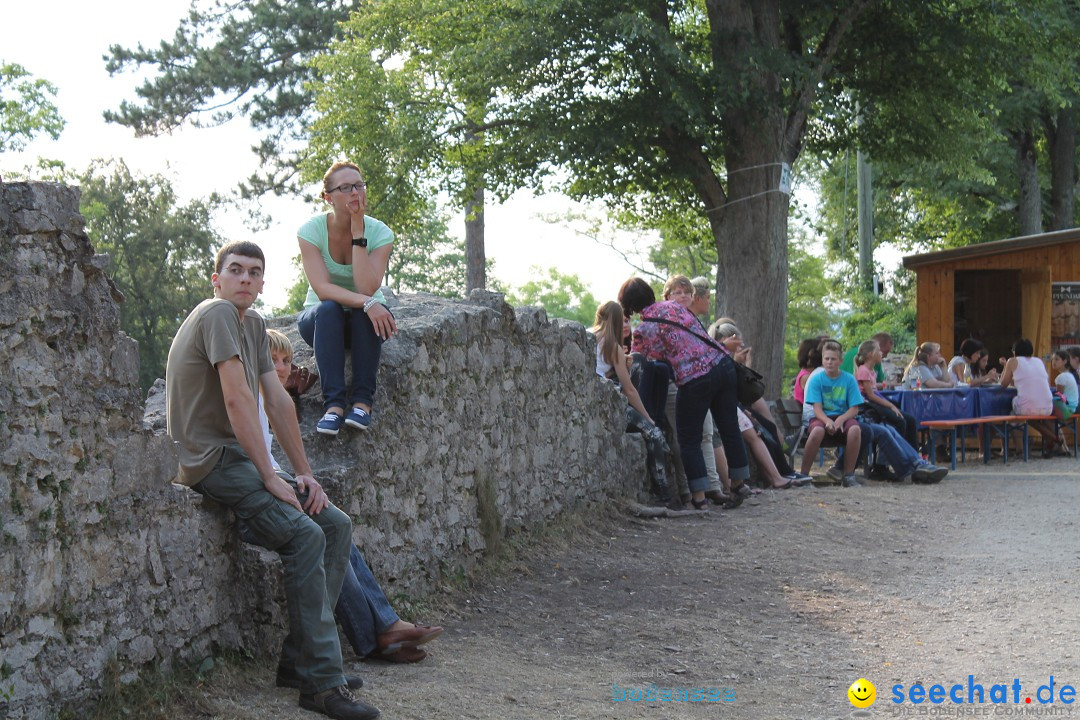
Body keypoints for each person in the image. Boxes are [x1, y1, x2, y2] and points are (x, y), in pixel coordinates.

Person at [165, 241, 379, 720]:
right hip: (210, 458)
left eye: (254, 272)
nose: (244, 278)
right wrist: (270, 475)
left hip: (242, 456)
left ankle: (300, 662)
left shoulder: (254, 324)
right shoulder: (217, 312)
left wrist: (302, 473)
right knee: (304, 535)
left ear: (263, 283)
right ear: (216, 279)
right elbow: (238, 400)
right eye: (235, 270)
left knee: (334, 524)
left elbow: (278, 402)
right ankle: (322, 684)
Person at [262, 330, 443, 664]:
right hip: (264, 488)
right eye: (272, 360)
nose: (282, 368)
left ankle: (383, 632)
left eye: (286, 360)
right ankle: (381, 632)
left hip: (276, 482)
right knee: (330, 533)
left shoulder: (272, 398)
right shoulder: (253, 396)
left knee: (337, 531)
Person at [620, 277, 751, 510]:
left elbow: (636, 362)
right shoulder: (676, 307)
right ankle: (739, 484)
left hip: (695, 379)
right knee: (730, 427)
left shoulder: (644, 329)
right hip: (722, 365)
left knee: (688, 438)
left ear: (629, 304)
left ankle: (699, 498)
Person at [297, 161, 398, 436]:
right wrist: (368, 302)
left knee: (365, 314)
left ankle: (362, 404)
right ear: (328, 197)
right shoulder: (311, 231)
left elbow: (367, 286)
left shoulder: (380, 233)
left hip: (364, 322)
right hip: (321, 323)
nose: (355, 192)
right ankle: (334, 407)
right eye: (345, 187)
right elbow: (322, 289)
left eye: (359, 185)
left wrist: (358, 233)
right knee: (329, 308)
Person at [591, 301, 676, 507]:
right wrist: (648, 419)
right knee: (655, 435)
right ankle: (663, 493)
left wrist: (621, 364)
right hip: (611, 407)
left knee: (636, 359)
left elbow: (599, 372)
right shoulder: (613, 346)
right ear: (620, 320)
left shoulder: (589, 335)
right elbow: (628, 390)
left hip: (593, 402)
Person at [800, 340, 863, 487]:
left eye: (833, 359)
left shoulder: (849, 379)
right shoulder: (816, 379)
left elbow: (854, 408)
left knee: (855, 430)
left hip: (843, 417)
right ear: (822, 360)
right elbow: (817, 408)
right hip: (821, 417)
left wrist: (840, 419)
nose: (829, 362)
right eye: (826, 359)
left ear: (840, 361)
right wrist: (827, 421)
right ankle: (803, 476)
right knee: (816, 431)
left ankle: (848, 475)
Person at [999, 338, 1060, 457]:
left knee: (1013, 418)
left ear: (1015, 351)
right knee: (1031, 418)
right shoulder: (1038, 361)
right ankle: (1052, 438)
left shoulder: (1012, 361)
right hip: (1048, 406)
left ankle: (1020, 449)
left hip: (1027, 407)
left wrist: (1005, 366)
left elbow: (1003, 384)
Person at [853, 340, 918, 449]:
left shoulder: (870, 370)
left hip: (875, 402)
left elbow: (871, 386)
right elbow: (870, 395)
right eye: (878, 350)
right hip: (869, 405)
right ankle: (894, 454)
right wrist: (890, 406)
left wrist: (888, 384)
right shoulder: (863, 370)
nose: (881, 353)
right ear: (870, 354)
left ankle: (913, 455)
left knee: (911, 420)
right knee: (900, 421)